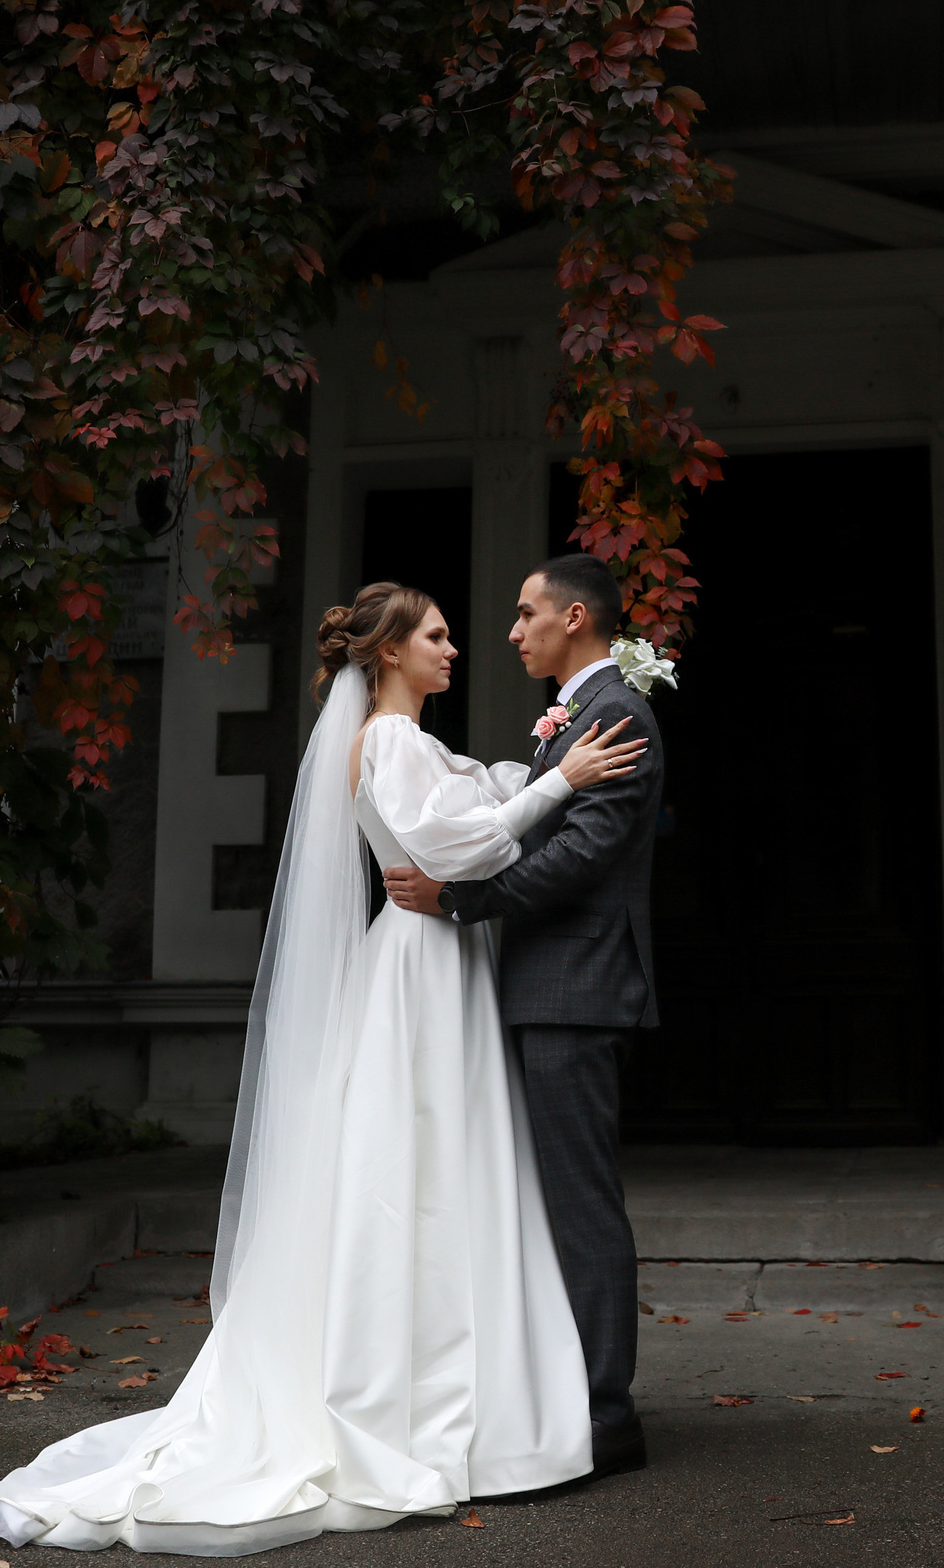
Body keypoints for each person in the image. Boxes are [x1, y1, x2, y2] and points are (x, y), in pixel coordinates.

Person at [0, 581, 647, 1554]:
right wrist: (561, 783)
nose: (457, 649)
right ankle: (414, 1393)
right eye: (439, 636)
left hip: (435, 959)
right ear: (390, 652)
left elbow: (482, 788)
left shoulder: (413, 743)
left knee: (440, 1174)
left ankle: (469, 1385)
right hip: (423, 965)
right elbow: (459, 841)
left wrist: (541, 767)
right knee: (415, 1168)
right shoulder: (389, 740)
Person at [382, 553, 665, 1487]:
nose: (510, 630)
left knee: (579, 1203)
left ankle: (604, 1412)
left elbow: (580, 855)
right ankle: (566, 1394)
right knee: (553, 1200)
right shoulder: (576, 717)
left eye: (524, 613)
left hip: (574, 989)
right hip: (545, 985)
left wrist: (462, 901)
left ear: (573, 618)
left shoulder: (616, 713)